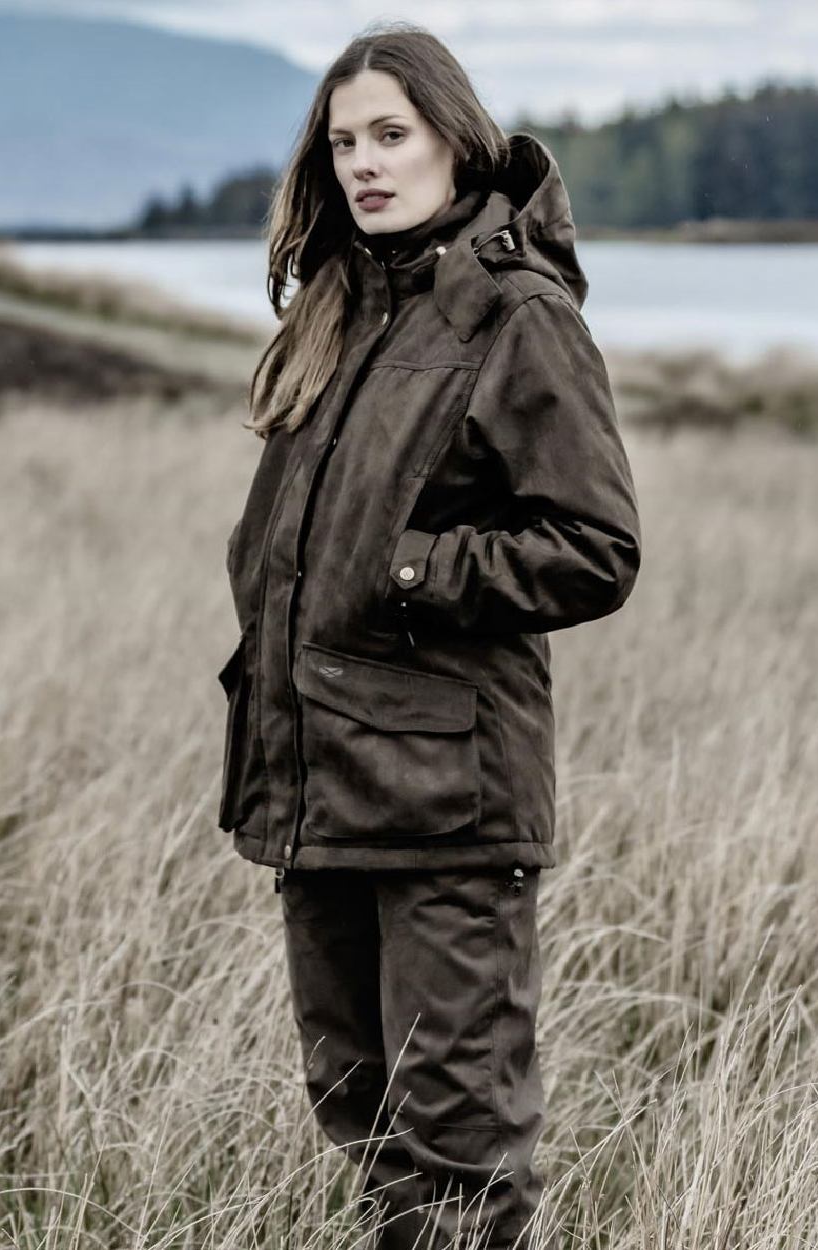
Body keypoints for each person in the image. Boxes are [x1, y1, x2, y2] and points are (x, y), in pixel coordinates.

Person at [217, 21, 641, 1250]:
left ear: (456, 140)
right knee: (360, 1112)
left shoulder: (515, 316)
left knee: (457, 1146)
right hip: (322, 784)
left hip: (448, 803)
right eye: (344, 140)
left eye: (390, 135)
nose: (364, 162)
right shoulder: (346, 312)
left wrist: (411, 565)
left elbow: (594, 544)